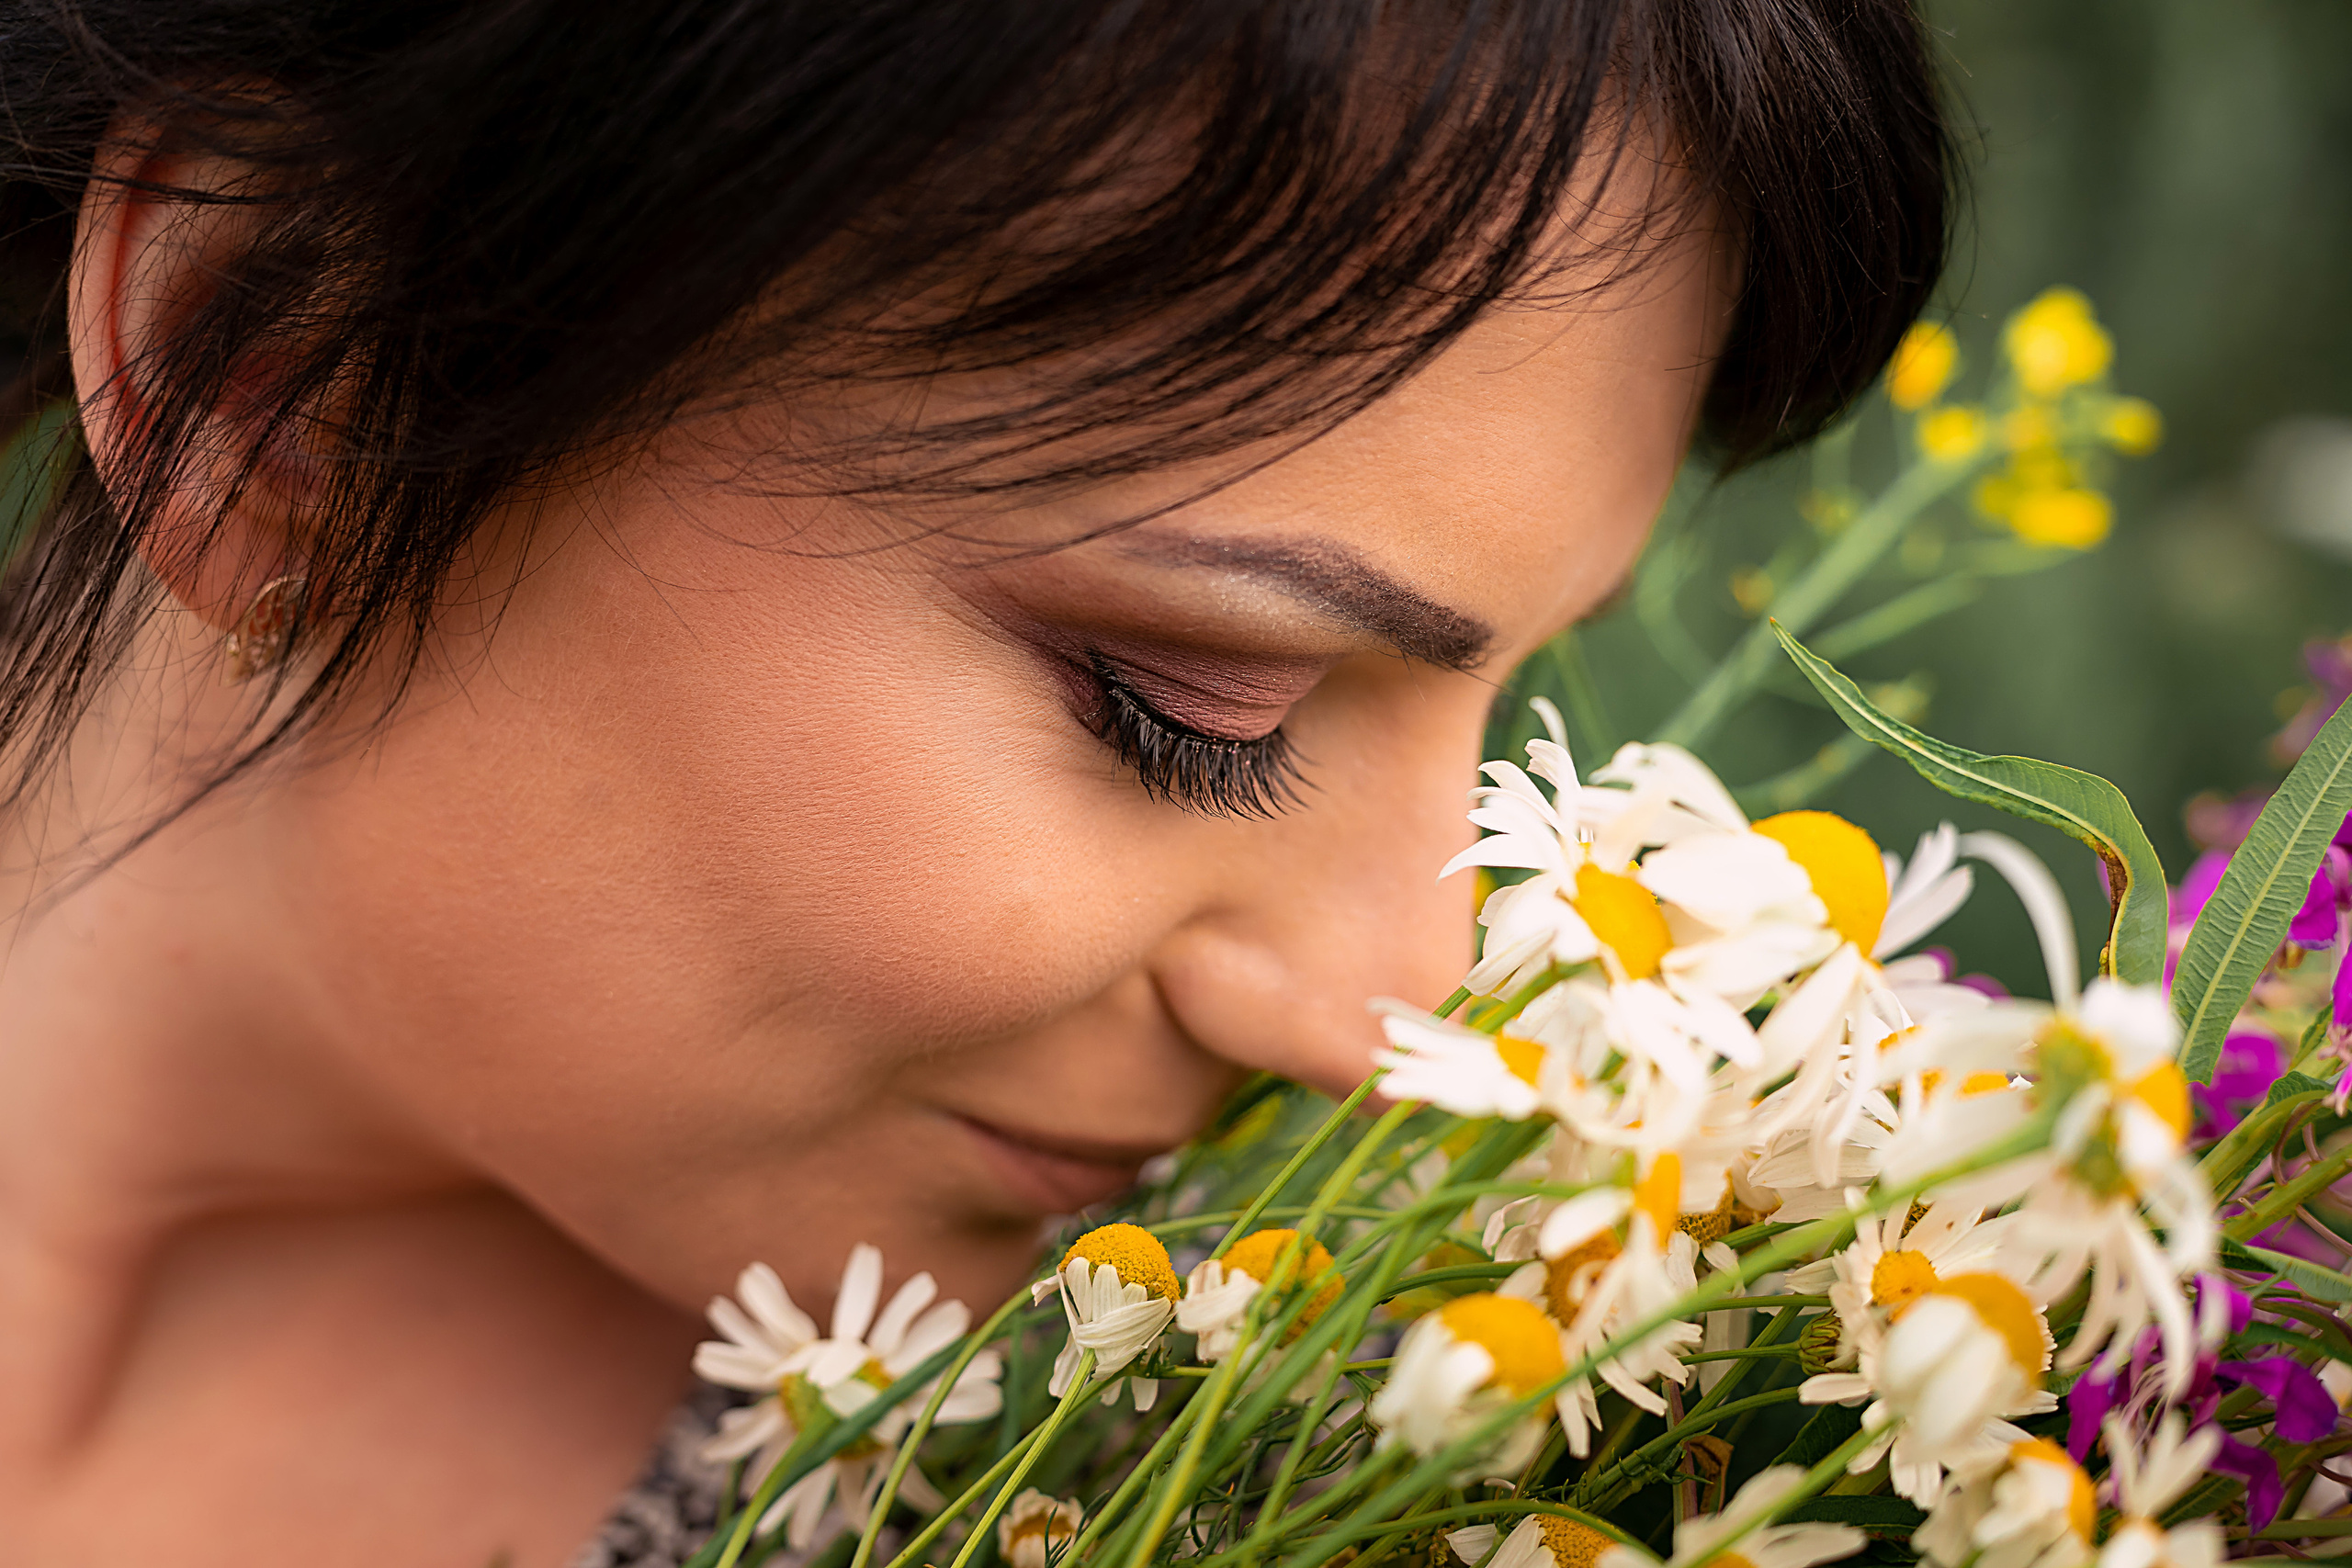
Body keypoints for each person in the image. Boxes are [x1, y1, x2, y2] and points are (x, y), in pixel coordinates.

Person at [0, 2, 1952, 1562]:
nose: (1403, 995)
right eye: (1194, 704)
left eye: (1525, 692)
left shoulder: (1187, 1478)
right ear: (274, 384)